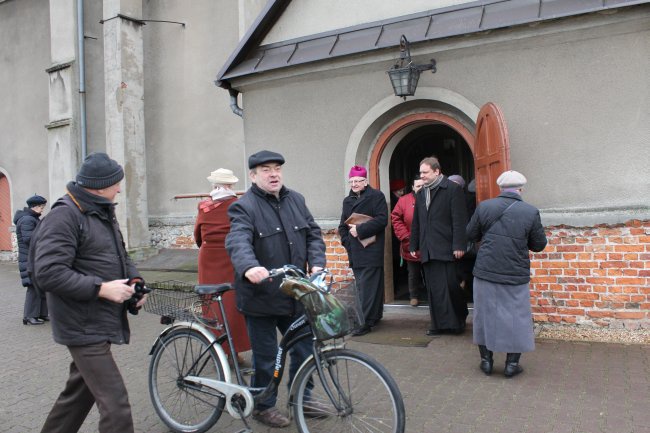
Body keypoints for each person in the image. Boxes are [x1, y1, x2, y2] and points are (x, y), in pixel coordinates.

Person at [33, 152, 147, 433]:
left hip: (98, 320)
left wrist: (134, 281)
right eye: (116, 183)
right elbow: (47, 272)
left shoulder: (101, 211)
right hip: (80, 323)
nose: (119, 188)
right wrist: (101, 289)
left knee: (77, 395)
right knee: (116, 405)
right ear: (99, 186)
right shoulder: (64, 216)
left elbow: (120, 255)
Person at [226, 150, 327, 428]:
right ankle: (263, 405)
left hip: (294, 294)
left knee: (305, 348)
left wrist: (317, 263)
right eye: (266, 169)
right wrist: (249, 267)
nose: (274, 174)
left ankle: (302, 397)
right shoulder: (244, 206)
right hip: (260, 297)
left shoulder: (296, 200)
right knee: (267, 357)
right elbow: (238, 240)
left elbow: (313, 234)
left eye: (277, 169)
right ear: (253, 175)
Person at [467, 170, 547, 378]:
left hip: (485, 270)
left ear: (500, 188)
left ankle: (486, 361)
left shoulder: (484, 207)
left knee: (484, 315)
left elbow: (471, 234)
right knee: (517, 318)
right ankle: (512, 365)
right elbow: (539, 245)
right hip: (514, 273)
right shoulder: (530, 211)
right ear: (521, 189)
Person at [194, 168, 251, 364]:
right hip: (230, 259)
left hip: (208, 260)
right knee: (231, 305)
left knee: (211, 305)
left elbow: (198, 237)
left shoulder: (203, 206)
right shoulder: (238, 205)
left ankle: (216, 347)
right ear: (232, 185)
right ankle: (233, 351)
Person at [410, 157, 468, 336]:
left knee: (450, 287)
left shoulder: (452, 189)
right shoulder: (421, 193)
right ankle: (438, 325)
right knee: (434, 290)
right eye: (420, 173)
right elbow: (417, 222)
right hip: (428, 248)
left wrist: (459, 244)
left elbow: (459, 219)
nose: (422, 176)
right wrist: (414, 243)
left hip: (447, 247)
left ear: (437, 171)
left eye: (425, 172)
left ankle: (457, 322)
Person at [338, 165, 388, 336]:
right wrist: (348, 243)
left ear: (366, 181)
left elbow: (382, 220)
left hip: (371, 249)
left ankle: (363, 323)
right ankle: (373, 317)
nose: (355, 184)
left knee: (368, 287)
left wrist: (360, 230)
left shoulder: (376, 196)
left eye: (358, 181)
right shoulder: (347, 201)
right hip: (355, 250)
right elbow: (342, 225)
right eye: (352, 181)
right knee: (363, 286)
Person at [13, 194, 48, 325]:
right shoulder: (27, 219)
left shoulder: (32, 218)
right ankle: (29, 316)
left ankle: (42, 313)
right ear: (35, 206)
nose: (42, 209)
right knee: (33, 287)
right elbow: (30, 239)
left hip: (35, 258)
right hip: (29, 259)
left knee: (41, 285)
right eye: (41, 206)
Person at [391, 176, 425, 307]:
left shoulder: (432, 198)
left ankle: (433, 295)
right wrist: (405, 236)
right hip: (410, 242)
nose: (420, 189)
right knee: (413, 272)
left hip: (429, 242)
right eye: (418, 186)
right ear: (412, 188)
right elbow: (395, 218)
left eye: (423, 186)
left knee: (431, 272)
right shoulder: (404, 201)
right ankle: (413, 296)